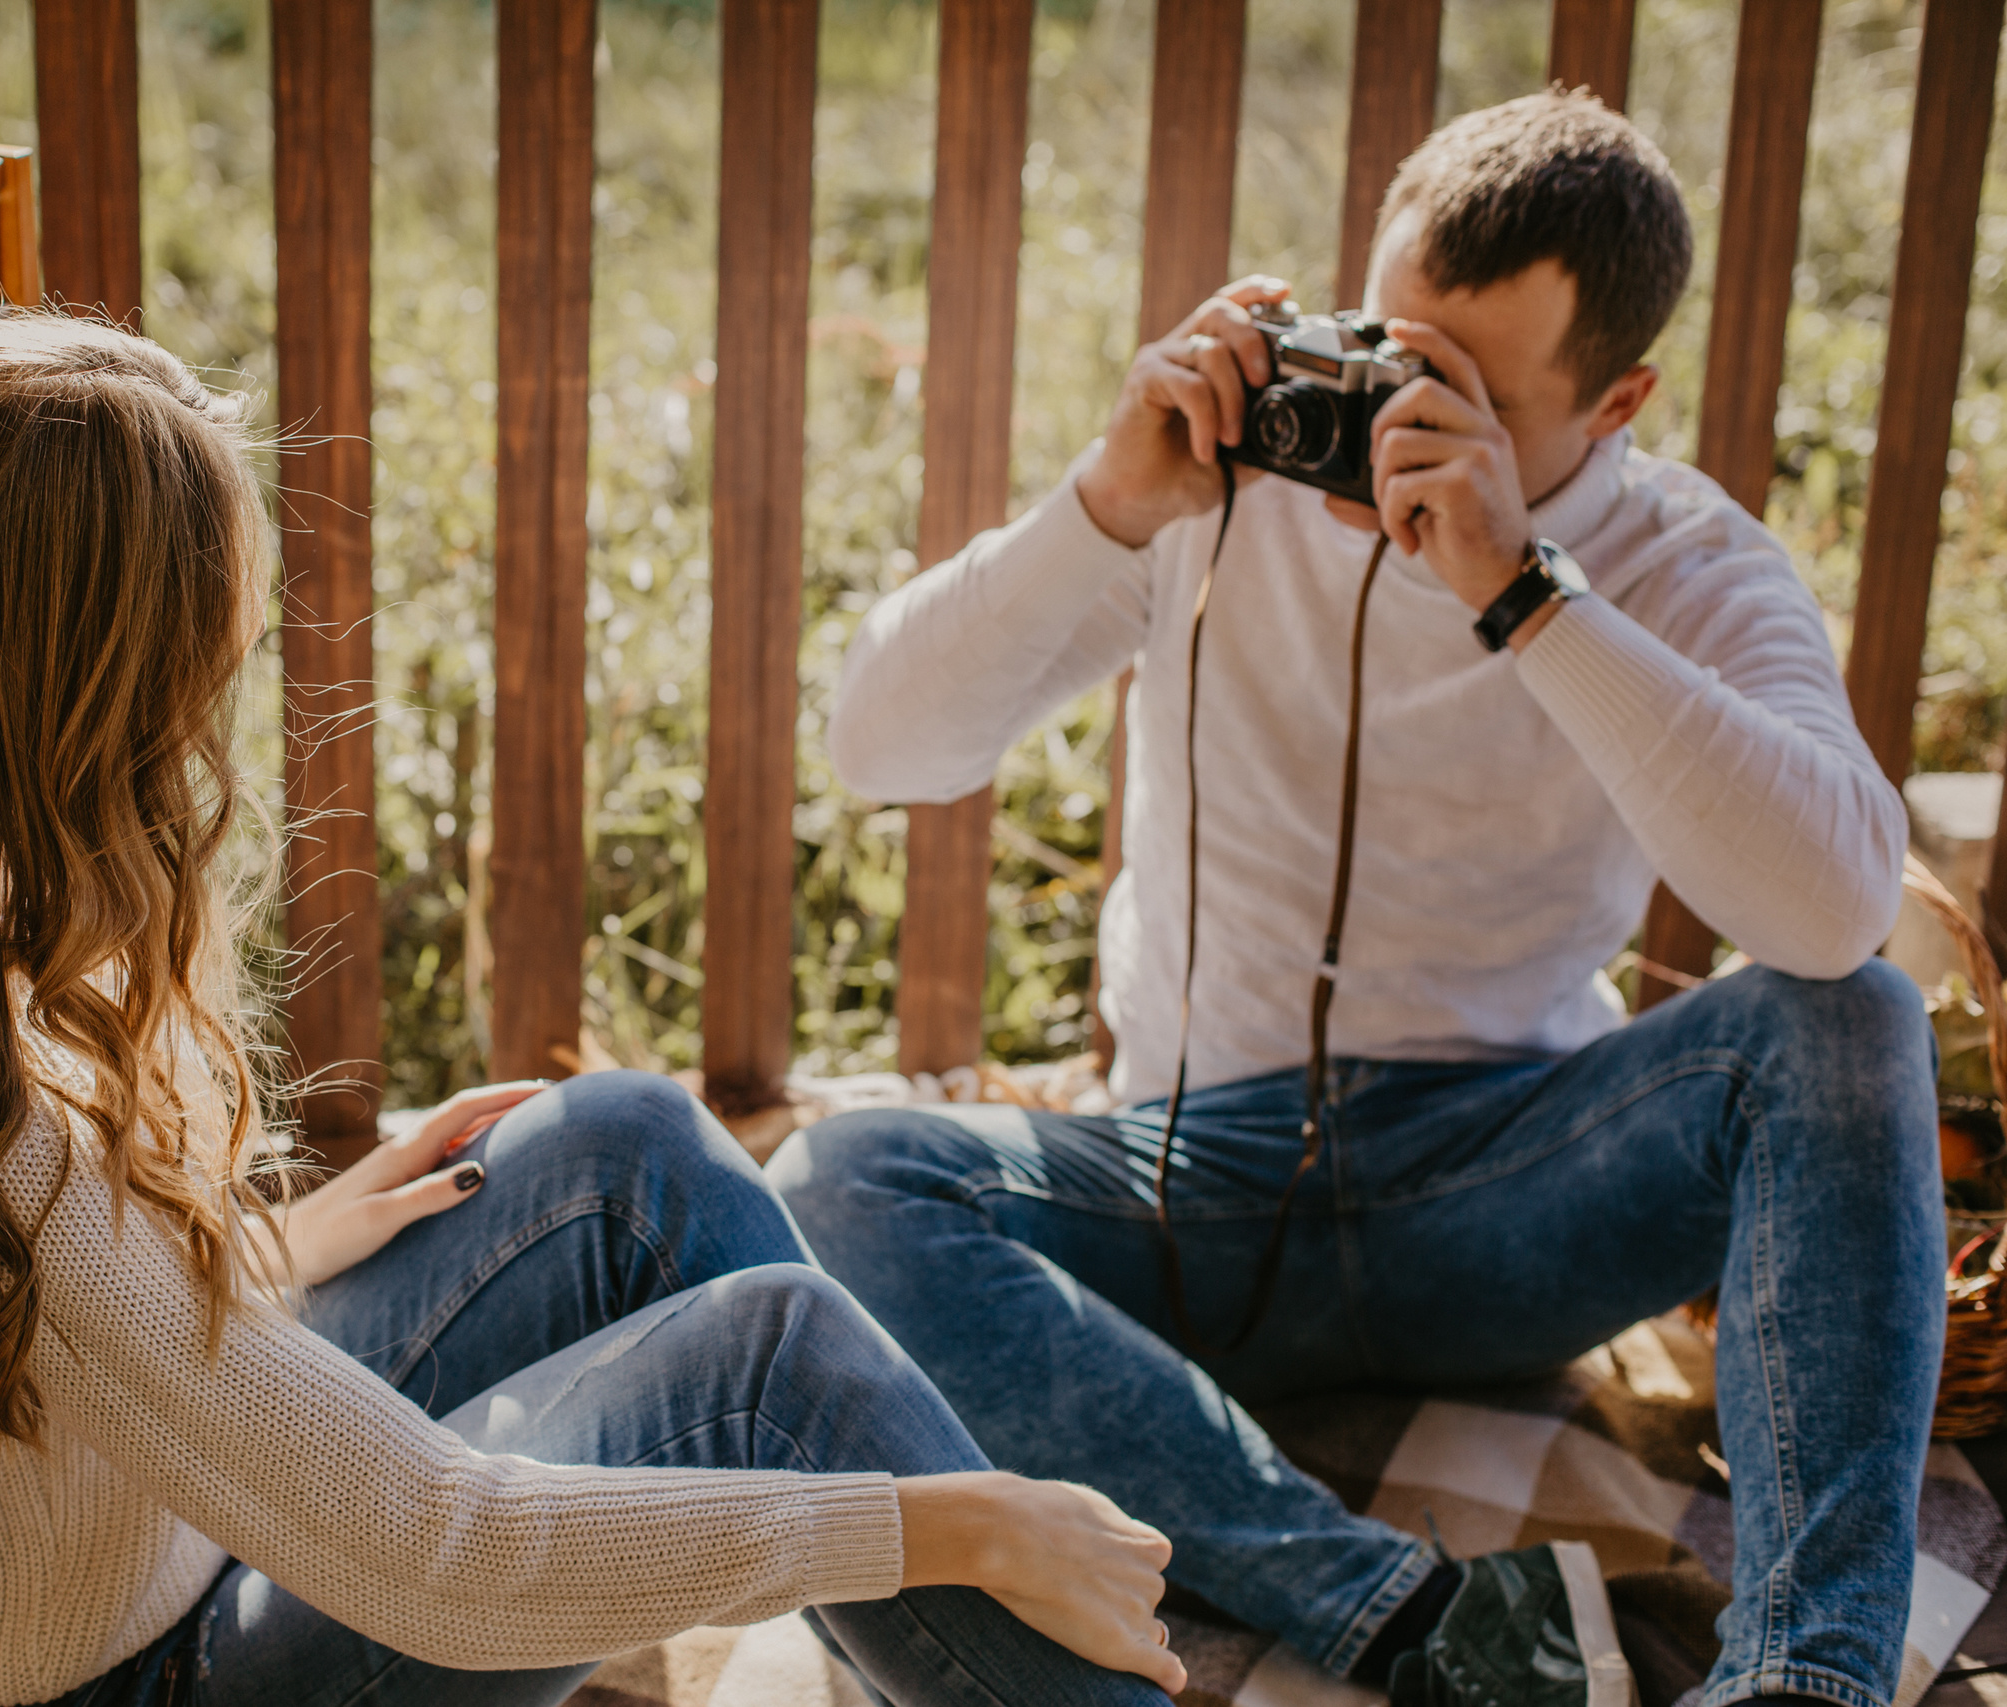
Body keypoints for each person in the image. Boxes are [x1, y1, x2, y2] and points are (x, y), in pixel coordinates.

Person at [0, 315, 1189, 1707]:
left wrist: (250, 1252)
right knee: (784, 1373)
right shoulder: (20, 1144)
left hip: (132, 1542)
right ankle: (1003, 1588)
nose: (210, 723)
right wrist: (942, 1526)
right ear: (69, 709)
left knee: (624, 1144)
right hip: (141, 1679)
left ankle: (967, 1618)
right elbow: (442, 1552)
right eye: (187, 683)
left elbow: (46, 1351)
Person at [773, 89, 1939, 1707]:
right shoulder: (1219, 483)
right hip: (1197, 1176)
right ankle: (1421, 1622)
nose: (1393, 421)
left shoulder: (1685, 562)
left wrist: (1525, 592)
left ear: (1617, 404)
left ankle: (1810, 1680)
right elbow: (875, 746)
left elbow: (1834, 915)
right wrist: (1104, 506)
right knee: (841, 1175)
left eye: (1460, 395)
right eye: (1386, 355)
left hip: (1512, 1189)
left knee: (1850, 1022)